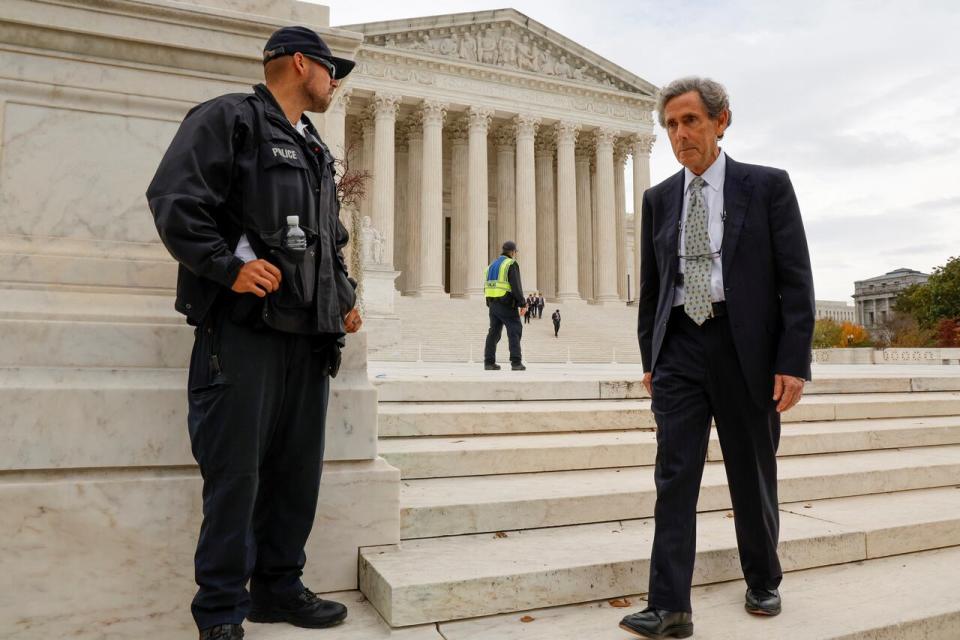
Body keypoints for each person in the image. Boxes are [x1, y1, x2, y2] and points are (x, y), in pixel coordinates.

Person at [146, 26, 363, 640]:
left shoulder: (316, 149)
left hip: (309, 337)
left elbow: (330, 243)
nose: (336, 82)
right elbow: (175, 201)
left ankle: (278, 587)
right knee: (236, 475)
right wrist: (229, 269)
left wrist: (343, 299)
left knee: (296, 475)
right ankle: (218, 611)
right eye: (330, 69)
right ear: (301, 63)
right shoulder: (227, 118)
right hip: (244, 334)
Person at [621, 77, 814, 639]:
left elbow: (795, 280)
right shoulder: (659, 200)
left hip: (744, 345)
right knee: (673, 472)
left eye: (691, 121)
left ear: (721, 120)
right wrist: (650, 359)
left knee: (750, 469)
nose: (680, 135)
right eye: (671, 126)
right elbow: (654, 290)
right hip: (680, 342)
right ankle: (669, 604)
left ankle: (763, 577)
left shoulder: (767, 186)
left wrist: (793, 360)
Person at [483, 241, 528, 371]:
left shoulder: (491, 265)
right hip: (507, 304)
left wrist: (489, 302)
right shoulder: (511, 264)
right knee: (514, 331)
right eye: (515, 252)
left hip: (493, 304)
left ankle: (489, 362)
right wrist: (522, 303)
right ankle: (516, 362)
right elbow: (516, 285)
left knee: (494, 333)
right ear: (513, 252)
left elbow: (487, 285)